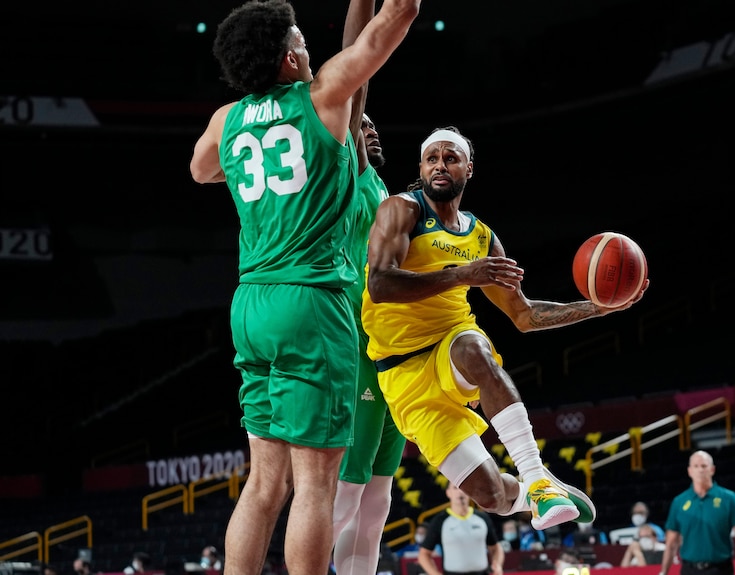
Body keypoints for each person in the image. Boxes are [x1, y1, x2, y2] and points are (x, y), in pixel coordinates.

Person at [188, 1, 421, 575]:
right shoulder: (323, 98)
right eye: (302, 41)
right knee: (316, 485)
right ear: (291, 57)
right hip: (311, 301)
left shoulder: (227, 119)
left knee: (264, 484)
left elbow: (200, 169)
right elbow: (400, 14)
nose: (312, 50)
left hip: (250, 304)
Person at [360, 125, 648, 531]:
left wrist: (596, 309)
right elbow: (380, 284)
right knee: (491, 496)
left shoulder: (482, 237)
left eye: (451, 157)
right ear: (421, 168)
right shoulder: (401, 210)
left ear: (468, 169)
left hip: (450, 342)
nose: (440, 165)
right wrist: (463, 274)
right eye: (432, 158)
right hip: (401, 374)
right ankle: (531, 492)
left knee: (472, 349)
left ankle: (536, 477)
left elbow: (524, 315)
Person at [330, 3, 408, 575]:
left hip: (392, 348)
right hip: (355, 341)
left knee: (379, 495)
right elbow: (357, 71)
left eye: (374, 126)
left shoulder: (381, 187)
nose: (371, 128)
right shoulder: (344, 170)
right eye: (363, 124)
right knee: (348, 489)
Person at [657, 450, 735, 575]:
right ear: (689, 471)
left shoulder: (728, 498)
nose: (700, 470)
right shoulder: (679, 502)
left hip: (720, 569)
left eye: (704, 466)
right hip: (689, 569)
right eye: (696, 466)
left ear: (712, 469)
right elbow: (671, 542)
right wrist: (663, 572)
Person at [417, 481, 504, 575]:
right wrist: (435, 573)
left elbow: (496, 547)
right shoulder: (440, 521)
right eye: (455, 488)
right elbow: (424, 554)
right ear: (448, 492)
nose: (460, 492)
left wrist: (497, 565)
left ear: (470, 492)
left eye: (463, 488)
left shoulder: (482, 518)